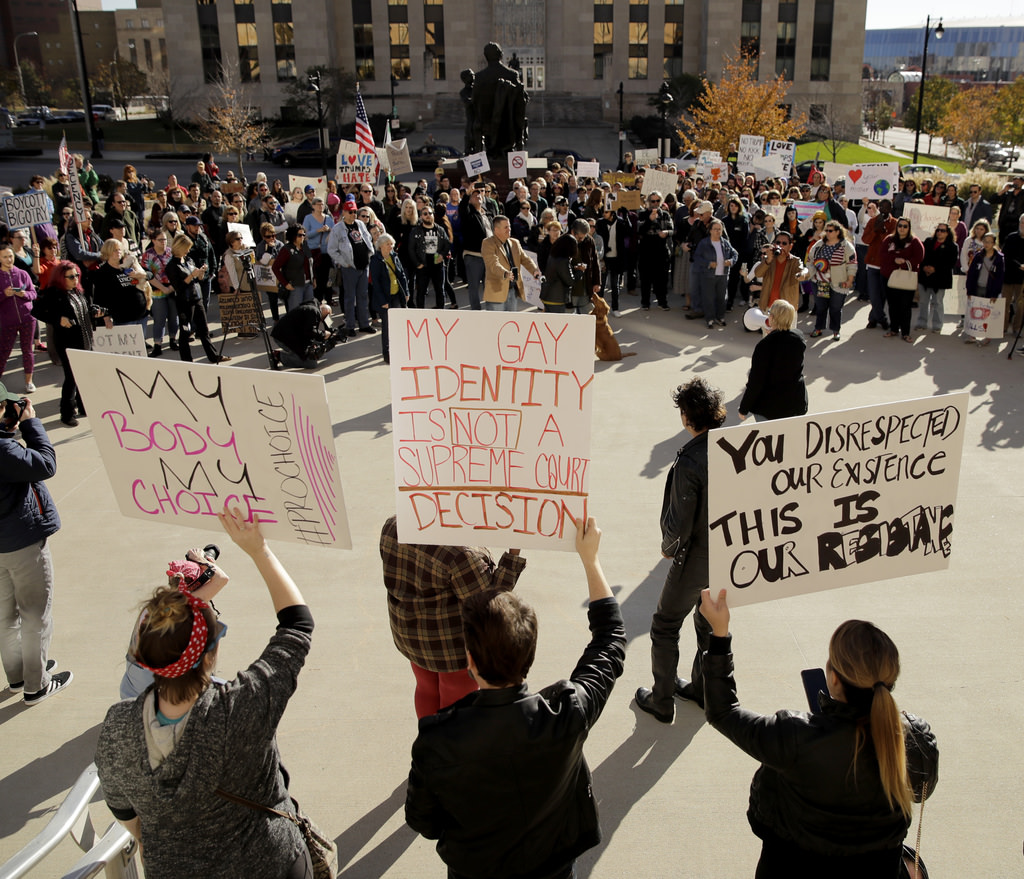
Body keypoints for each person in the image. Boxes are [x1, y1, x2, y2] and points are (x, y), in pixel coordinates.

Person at [95, 508, 317, 879]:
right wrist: (258, 548)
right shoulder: (242, 707)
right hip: (269, 865)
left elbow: (124, 812)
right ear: (210, 653)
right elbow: (297, 626)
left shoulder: (117, 726)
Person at [405, 515, 625, 879]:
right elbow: (611, 640)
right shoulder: (566, 712)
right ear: (530, 652)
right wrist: (591, 560)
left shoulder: (438, 738)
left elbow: (423, 820)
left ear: (470, 661)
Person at [699, 590, 939, 878]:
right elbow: (920, 790)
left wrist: (720, 633)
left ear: (834, 678)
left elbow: (723, 711)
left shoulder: (793, 736)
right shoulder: (914, 740)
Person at [636, 377, 726, 724]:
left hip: (697, 554)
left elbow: (680, 522)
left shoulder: (691, 461)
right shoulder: (732, 444)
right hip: (727, 552)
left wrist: (668, 548)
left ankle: (662, 701)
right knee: (706, 621)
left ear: (687, 418)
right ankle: (702, 689)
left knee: (665, 624)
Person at [379, 515, 525, 719]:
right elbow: (490, 601)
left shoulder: (394, 524)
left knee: (425, 687)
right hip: (451, 647)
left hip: (412, 636)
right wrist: (514, 553)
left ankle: (428, 743)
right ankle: (449, 748)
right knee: (457, 699)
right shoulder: (459, 554)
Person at [0, 387, 72, 703]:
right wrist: (31, 425)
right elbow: (46, 463)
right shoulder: (5, 451)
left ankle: (19, 676)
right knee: (34, 615)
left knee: (6, 617)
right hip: (22, 543)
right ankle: (36, 685)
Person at [737, 300, 807, 422]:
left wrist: (744, 408)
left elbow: (756, 381)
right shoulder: (799, 337)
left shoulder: (765, 346)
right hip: (795, 403)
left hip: (770, 408)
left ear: (772, 317)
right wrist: (775, 333)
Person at [166, 233, 229, 364]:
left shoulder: (188, 260)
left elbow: (198, 278)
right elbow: (179, 286)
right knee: (185, 331)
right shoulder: (172, 265)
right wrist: (191, 276)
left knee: (204, 329)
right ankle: (187, 360)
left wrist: (200, 272)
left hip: (196, 297)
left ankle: (213, 355)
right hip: (185, 301)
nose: (188, 251)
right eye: (186, 248)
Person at [327, 196, 375, 338]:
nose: (353, 214)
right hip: (350, 267)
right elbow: (331, 249)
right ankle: (349, 325)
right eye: (350, 212)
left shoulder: (360, 224)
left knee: (362, 296)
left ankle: (364, 323)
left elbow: (367, 238)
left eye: (354, 211)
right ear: (343, 212)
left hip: (363, 265)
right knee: (349, 297)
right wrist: (343, 262)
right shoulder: (338, 229)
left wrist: (368, 254)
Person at [807, 221, 857, 340]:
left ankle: (835, 330)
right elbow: (810, 260)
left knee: (835, 308)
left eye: (830, 231)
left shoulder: (846, 246)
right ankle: (818, 328)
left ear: (838, 232)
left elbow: (852, 264)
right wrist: (809, 273)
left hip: (839, 282)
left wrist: (850, 280)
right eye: (826, 230)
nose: (827, 233)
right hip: (820, 281)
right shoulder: (819, 244)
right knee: (821, 306)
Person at [481, 215, 541, 312]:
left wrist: (534, 270)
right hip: (496, 293)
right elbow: (492, 263)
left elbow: (525, 259)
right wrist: (505, 273)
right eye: (506, 227)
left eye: (509, 226)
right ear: (496, 230)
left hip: (513, 290)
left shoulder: (515, 242)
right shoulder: (487, 243)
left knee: (511, 324)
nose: (509, 229)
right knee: (497, 324)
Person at [0, 245, 38, 393]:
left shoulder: (22, 273)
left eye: (10, 256)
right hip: (8, 321)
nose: (9, 260)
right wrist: (4, 294)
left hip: (28, 318)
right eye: (5, 257)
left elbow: (33, 293)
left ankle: (29, 381)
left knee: (27, 350)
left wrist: (24, 295)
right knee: (4, 352)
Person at [881, 218, 924, 343]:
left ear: (909, 228)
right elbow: (883, 255)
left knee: (905, 306)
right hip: (890, 278)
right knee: (892, 305)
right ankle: (894, 329)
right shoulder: (889, 239)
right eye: (900, 226)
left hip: (906, 279)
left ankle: (905, 332)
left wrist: (905, 263)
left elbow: (919, 257)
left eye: (905, 226)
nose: (902, 228)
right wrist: (895, 259)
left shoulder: (914, 241)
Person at [369, 234, 408, 363]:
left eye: (392, 244)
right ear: (381, 246)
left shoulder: (394, 257)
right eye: (388, 244)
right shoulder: (376, 260)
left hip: (396, 295)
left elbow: (402, 275)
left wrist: (406, 292)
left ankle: (397, 350)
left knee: (396, 324)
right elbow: (376, 282)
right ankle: (387, 353)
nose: (391, 246)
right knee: (386, 326)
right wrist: (383, 301)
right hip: (385, 298)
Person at [693, 218, 738, 330]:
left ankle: (720, 317)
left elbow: (735, 254)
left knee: (722, 298)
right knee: (708, 298)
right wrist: (708, 264)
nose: (718, 231)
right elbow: (697, 257)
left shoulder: (725, 242)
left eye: (720, 229)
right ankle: (710, 319)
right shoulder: (704, 243)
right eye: (715, 229)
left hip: (722, 275)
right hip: (708, 275)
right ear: (710, 230)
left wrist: (731, 261)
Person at [915, 223, 958, 335]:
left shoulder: (952, 246)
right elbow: (921, 255)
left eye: (942, 230)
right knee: (923, 301)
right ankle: (921, 322)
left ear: (948, 233)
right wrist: (924, 267)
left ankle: (937, 325)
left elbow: (950, 263)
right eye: (938, 230)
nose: (939, 232)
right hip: (925, 276)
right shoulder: (928, 241)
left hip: (940, 278)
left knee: (937, 302)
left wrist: (935, 269)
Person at [861, 199, 897, 330]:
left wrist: (882, 232)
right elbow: (865, 239)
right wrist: (875, 230)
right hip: (872, 263)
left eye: (887, 207)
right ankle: (882, 319)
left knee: (882, 295)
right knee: (873, 294)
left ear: (891, 209)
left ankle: (873, 319)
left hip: (887, 265)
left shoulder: (895, 223)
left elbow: (891, 244)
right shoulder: (872, 221)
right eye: (881, 207)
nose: (883, 209)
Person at [964, 232, 1005, 347]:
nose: (987, 244)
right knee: (975, 312)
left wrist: (995, 293)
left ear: (994, 243)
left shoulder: (999, 258)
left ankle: (987, 337)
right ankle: (972, 334)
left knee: (988, 313)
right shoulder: (978, 256)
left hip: (990, 289)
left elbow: (1000, 277)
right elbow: (971, 274)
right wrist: (969, 290)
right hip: (977, 287)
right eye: (985, 241)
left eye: (990, 242)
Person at [753, 231, 809, 313]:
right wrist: (768, 261)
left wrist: (802, 274)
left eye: (784, 243)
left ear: (790, 247)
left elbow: (804, 271)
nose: (781, 245)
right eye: (778, 242)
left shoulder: (795, 261)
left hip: (786, 310)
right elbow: (758, 273)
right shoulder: (769, 259)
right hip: (768, 307)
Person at [270, 299, 335, 369]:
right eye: (326, 317)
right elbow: (310, 332)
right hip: (283, 337)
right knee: (311, 364)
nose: (324, 321)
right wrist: (323, 334)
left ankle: (295, 354)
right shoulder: (313, 312)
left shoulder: (312, 309)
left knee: (317, 345)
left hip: (294, 335)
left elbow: (309, 331)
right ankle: (278, 356)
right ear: (326, 313)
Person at [411, 203, 453, 309]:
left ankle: (440, 311)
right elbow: (411, 249)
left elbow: (447, 243)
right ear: (421, 216)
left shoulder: (440, 230)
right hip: (423, 263)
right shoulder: (416, 231)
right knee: (421, 291)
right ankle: (421, 313)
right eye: (425, 214)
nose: (428, 215)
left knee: (440, 290)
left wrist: (442, 255)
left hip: (437, 264)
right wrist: (417, 263)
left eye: (430, 213)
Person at [638, 191, 674, 311]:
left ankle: (662, 301)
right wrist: (649, 220)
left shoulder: (665, 214)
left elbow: (672, 230)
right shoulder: (642, 214)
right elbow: (639, 230)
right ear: (648, 202)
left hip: (661, 250)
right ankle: (645, 302)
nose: (655, 203)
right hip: (646, 250)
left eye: (657, 201)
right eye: (652, 201)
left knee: (662, 279)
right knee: (645, 279)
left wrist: (667, 233)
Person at [143, 231, 177, 357]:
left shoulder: (171, 252)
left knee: (174, 317)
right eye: (160, 240)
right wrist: (163, 288)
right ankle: (158, 344)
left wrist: (172, 287)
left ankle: (173, 339)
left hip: (173, 288)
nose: (163, 242)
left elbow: (178, 270)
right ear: (153, 240)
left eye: (165, 240)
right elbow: (148, 275)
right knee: (159, 318)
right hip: (157, 289)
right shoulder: (147, 255)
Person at [271, 225, 314, 313]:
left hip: (308, 284)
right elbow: (275, 267)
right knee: (295, 313)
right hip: (295, 286)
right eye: (299, 235)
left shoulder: (305, 246)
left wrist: (314, 278)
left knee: (310, 311)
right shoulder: (286, 249)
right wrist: (285, 284)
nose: (302, 237)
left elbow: (310, 263)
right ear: (293, 236)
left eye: (303, 235)